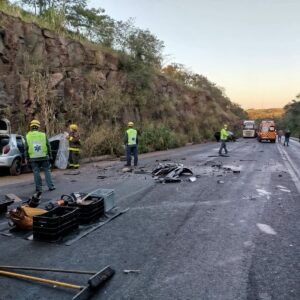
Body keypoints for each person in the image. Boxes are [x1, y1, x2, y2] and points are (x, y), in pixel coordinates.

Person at [25, 119, 55, 192]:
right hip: (44, 156)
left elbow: (26, 148)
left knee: (36, 172)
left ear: (31, 127)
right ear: (38, 127)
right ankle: (51, 186)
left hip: (33, 158)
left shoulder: (27, 136)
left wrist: (27, 158)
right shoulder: (43, 135)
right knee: (47, 171)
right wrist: (50, 156)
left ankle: (39, 188)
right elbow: (48, 146)